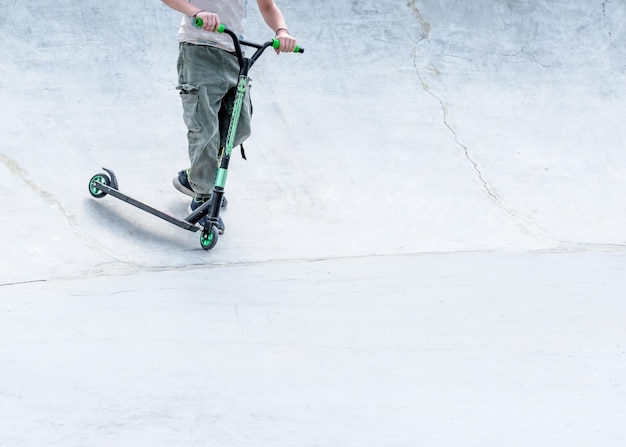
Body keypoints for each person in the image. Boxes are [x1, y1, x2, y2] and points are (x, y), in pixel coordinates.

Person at [161, 0, 297, 233]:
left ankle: (195, 176)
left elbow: (268, 7)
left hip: (235, 55)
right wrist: (197, 12)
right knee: (204, 129)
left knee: (240, 126)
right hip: (198, 50)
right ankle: (203, 198)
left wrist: (281, 31)